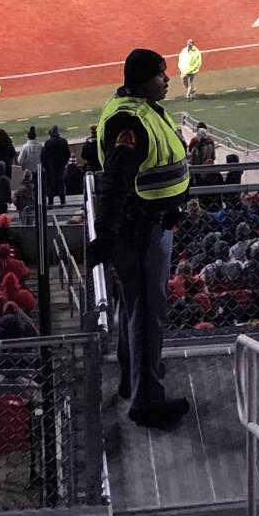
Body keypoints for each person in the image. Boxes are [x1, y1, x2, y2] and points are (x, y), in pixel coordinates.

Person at [92, 47, 191, 429]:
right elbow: (115, 182)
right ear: (142, 80)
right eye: (161, 74)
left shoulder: (136, 109)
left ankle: (135, 376)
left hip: (147, 226)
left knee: (136, 308)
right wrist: (107, 235)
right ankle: (146, 401)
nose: (167, 80)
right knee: (148, 312)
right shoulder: (130, 122)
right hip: (141, 230)